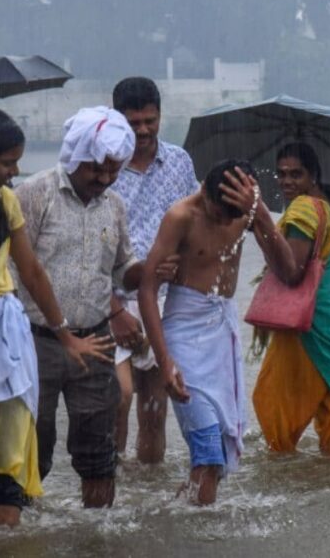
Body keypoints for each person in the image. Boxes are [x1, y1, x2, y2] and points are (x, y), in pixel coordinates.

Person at [0, 109, 112, 526]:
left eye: (17, 161)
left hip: (8, 332)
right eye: (7, 162)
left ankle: (5, 540)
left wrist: (65, 335)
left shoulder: (6, 200)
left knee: (12, 436)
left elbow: (31, 270)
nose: (15, 171)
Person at [14, 106, 176, 508]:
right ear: (74, 157)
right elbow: (14, 267)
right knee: (33, 445)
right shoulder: (34, 194)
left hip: (98, 341)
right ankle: (23, 529)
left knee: (99, 453)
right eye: (96, 170)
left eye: (113, 170)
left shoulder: (113, 206)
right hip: (38, 342)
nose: (104, 179)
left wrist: (153, 271)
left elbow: (123, 272)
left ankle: (98, 534)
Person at [139, 159, 294, 505]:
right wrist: (164, 362)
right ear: (205, 193)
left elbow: (288, 271)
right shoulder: (181, 216)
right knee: (207, 454)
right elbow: (147, 290)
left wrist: (261, 214)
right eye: (217, 213)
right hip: (182, 331)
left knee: (217, 461)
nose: (225, 222)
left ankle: (171, 518)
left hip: (221, 333)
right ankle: (200, 536)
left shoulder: (247, 210)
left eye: (232, 215)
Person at [250, 141, 330, 455]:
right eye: (281, 174)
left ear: (313, 175)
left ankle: (284, 479)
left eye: (296, 174)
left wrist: (260, 221)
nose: (286, 181)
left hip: (308, 326)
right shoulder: (327, 207)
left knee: (271, 405)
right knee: (328, 412)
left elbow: (291, 271)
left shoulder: (305, 207)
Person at [110, 76, 198, 464]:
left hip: (163, 300)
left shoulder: (179, 162)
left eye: (150, 121)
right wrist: (112, 308)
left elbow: (195, 222)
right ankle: (104, 485)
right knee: (119, 396)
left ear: (160, 116)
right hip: (112, 300)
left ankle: (146, 493)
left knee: (154, 409)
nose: (143, 130)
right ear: (117, 120)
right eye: (133, 123)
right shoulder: (103, 165)